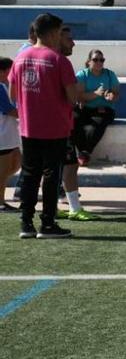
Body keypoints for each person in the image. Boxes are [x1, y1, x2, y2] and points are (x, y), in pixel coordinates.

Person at [10, 13, 78, 239]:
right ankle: (47, 223)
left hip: (28, 127)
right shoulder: (59, 60)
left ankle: (25, 223)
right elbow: (71, 97)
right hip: (55, 128)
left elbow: (12, 94)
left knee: (29, 174)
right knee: (52, 175)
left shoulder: (20, 58)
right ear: (51, 33)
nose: (61, 38)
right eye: (59, 33)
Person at [57, 27, 100, 222]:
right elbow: (72, 96)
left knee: (57, 165)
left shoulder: (31, 57)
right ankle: (70, 208)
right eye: (69, 39)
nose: (73, 43)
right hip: (57, 123)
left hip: (51, 123)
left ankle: (50, 208)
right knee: (66, 165)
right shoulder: (58, 62)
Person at [71, 50, 120, 167]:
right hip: (85, 107)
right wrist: (96, 94)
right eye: (95, 60)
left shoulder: (109, 74)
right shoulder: (82, 75)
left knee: (97, 124)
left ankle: (84, 153)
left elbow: (116, 94)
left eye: (101, 60)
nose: (99, 62)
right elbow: (78, 95)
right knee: (72, 120)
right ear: (88, 62)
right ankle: (84, 152)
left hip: (103, 108)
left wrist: (111, 96)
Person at [0, 57, 21, 213]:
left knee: (16, 164)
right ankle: (1, 202)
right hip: (3, 136)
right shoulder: (0, 88)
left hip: (9, 136)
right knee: (3, 171)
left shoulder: (4, 86)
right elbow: (10, 111)